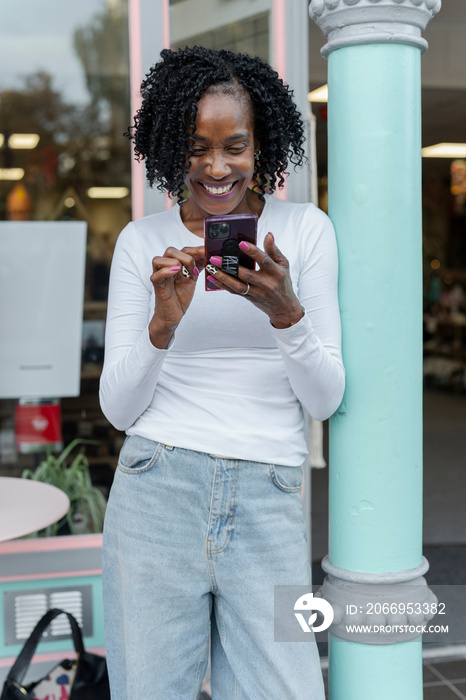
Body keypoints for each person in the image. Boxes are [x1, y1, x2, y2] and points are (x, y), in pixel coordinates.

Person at [100, 46, 344, 700]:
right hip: (157, 485)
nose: (215, 168)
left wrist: (284, 311)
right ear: (168, 147)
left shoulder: (306, 233)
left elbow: (325, 398)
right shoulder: (141, 242)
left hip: (267, 494)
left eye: (234, 146)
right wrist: (163, 325)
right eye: (196, 147)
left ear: (261, 145)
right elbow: (119, 412)